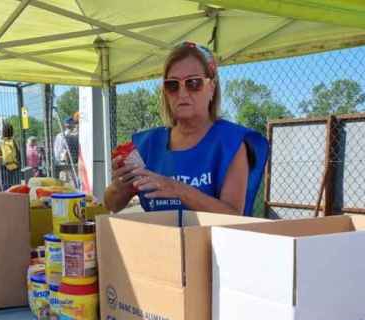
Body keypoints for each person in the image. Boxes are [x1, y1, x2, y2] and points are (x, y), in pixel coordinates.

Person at [104, 42, 266, 215]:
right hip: (157, 240)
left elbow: (233, 216)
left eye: (193, 83)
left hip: (209, 242)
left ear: (211, 88)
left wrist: (178, 190)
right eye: (172, 85)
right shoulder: (148, 144)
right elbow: (112, 205)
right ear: (165, 92)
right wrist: (117, 187)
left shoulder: (231, 143)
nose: (182, 93)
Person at [0, 121, 21, 187]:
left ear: (3, 132)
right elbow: (18, 154)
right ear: (12, 131)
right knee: (16, 188)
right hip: (15, 166)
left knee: (7, 189)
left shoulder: (0, 142)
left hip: (5, 167)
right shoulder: (15, 141)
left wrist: (2, 157)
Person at [53, 116, 79, 186]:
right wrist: (59, 160)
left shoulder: (77, 135)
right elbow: (58, 150)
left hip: (73, 162)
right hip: (65, 162)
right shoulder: (61, 136)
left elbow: (57, 150)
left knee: (70, 182)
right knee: (66, 181)